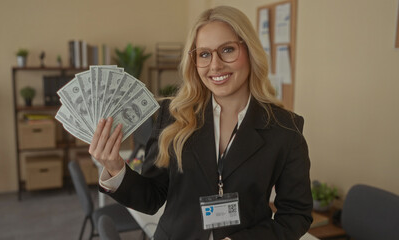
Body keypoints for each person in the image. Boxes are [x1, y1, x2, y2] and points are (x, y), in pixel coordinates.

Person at [89, 6, 312, 240]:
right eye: (204, 54)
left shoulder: (286, 129)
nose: (215, 65)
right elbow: (152, 197)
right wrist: (115, 167)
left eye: (227, 50)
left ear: (250, 50)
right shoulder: (174, 116)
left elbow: (296, 214)